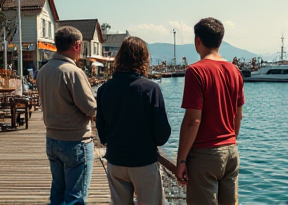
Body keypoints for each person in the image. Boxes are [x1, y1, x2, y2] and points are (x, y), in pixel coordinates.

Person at [176, 17, 245, 205]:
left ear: (197, 41)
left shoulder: (196, 71)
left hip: (205, 154)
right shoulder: (235, 71)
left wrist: (181, 160)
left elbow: (193, 121)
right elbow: (238, 115)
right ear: (220, 42)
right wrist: (230, 140)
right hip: (231, 151)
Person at [96, 36, 171, 205]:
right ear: (144, 59)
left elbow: (101, 128)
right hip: (143, 161)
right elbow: (162, 132)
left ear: (120, 57)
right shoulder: (151, 89)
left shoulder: (104, 89)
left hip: (116, 160)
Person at [36, 26, 97, 205]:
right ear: (77, 45)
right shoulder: (73, 72)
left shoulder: (44, 71)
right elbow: (90, 108)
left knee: (57, 192)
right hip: (75, 141)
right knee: (75, 197)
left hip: (52, 138)